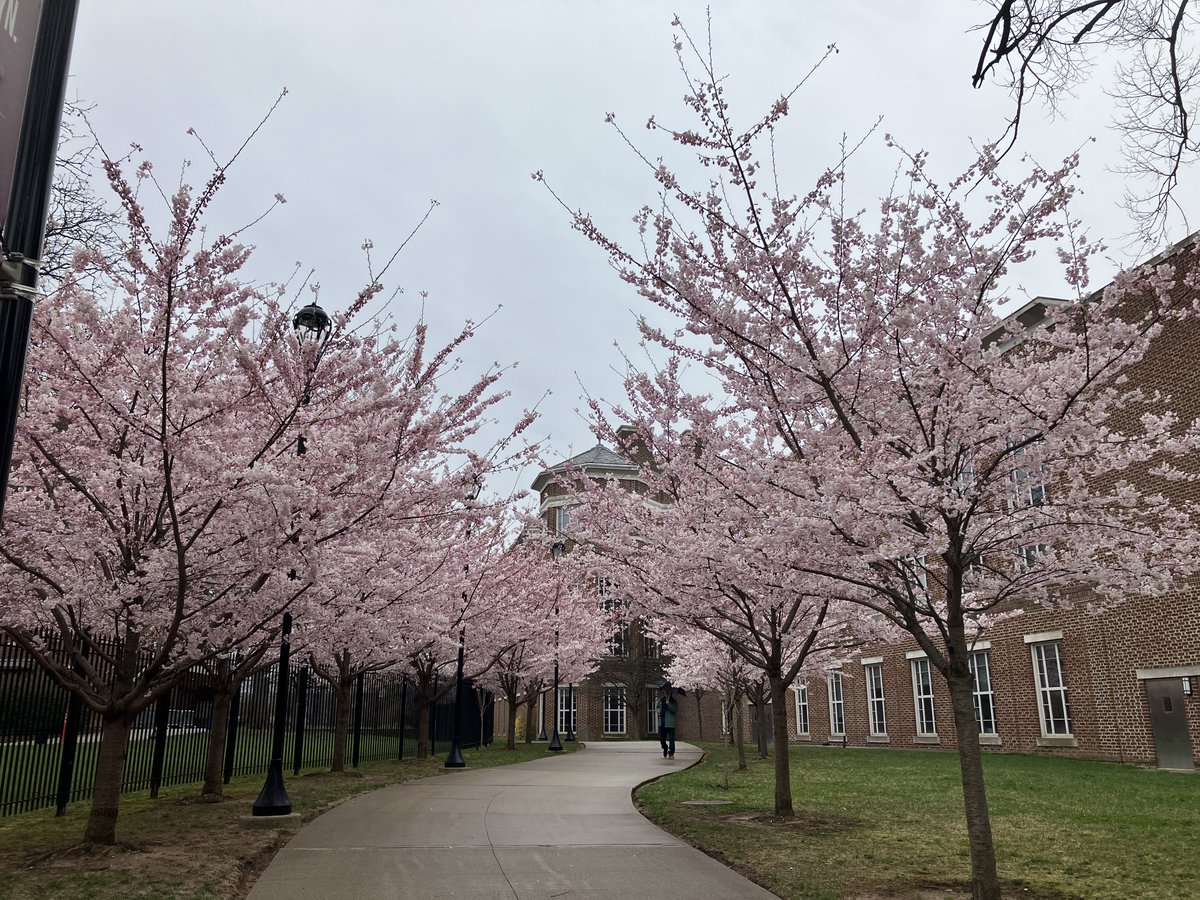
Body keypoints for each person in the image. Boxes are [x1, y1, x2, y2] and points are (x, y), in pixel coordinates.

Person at [658, 685, 678, 758]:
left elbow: (674, 710)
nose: (666, 693)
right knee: (661, 739)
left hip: (670, 723)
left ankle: (671, 753)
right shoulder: (660, 700)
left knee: (671, 739)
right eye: (665, 691)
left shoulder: (673, 701)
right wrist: (658, 712)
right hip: (662, 722)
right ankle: (665, 747)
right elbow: (657, 707)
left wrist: (668, 704)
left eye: (668, 692)